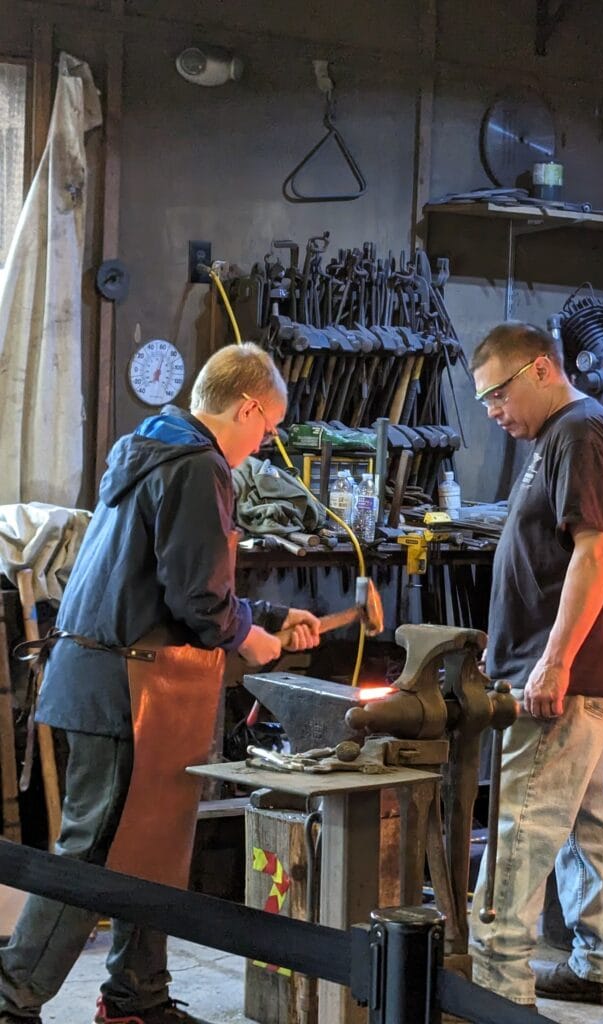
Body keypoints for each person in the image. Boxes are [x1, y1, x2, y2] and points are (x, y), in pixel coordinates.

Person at [0, 343, 321, 1024]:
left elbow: (158, 577)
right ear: (249, 407)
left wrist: (267, 615)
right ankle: (10, 998)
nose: (260, 448)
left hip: (110, 678)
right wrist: (246, 635)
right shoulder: (197, 465)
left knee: (150, 843)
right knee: (94, 853)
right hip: (126, 691)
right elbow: (197, 600)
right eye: (266, 433)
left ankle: (135, 998)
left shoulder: (150, 449)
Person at [468, 322, 603, 1010]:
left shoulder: (577, 433)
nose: (492, 414)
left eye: (496, 396)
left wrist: (550, 662)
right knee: (587, 822)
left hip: (564, 679)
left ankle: (495, 988)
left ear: (539, 369)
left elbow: (594, 551)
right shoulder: (565, 434)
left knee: (521, 824)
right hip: (570, 671)